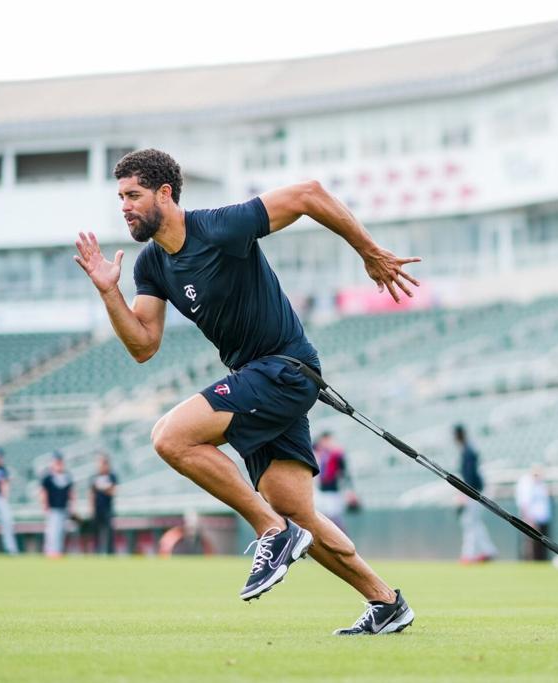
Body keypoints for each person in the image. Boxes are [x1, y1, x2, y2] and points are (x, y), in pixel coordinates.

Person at [74, 148, 418, 635]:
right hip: (258, 380)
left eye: (133, 195)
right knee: (296, 509)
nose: (124, 206)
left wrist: (368, 251)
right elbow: (143, 345)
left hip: (286, 369)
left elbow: (309, 194)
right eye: (120, 198)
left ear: (165, 194)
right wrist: (110, 291)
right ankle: (385, 602)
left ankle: (270, 532)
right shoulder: (151, 265)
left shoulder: (219, 227)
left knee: (170, 437)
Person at [453, 425, 498, 563]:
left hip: (473, 492)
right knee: (475, 523)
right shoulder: (468, 449)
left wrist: (464, 494)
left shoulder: (468, 452)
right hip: (475, 490)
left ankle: (469, 554)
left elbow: (469, 476)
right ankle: (488, 550)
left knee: (470, 523)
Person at [313, 432, 356, 531]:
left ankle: (342, 540)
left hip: (333, 491)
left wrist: (350, 491)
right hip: (318, 491)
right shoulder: (317, 452)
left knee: (334, 518)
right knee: (322, 518)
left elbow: (345, 474)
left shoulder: (337, 455)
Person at [40, 452, 74, 557]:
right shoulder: (48, 477)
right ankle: (50, 552)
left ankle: (57, 552)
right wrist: (45, 506)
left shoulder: (66, 476)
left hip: (63, 508)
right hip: (52, 508)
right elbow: (43, 492)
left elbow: (71, 493)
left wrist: (72, 506)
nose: (58, 463)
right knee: (52, 531)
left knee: (60, 532)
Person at [514, 465, 552, 561]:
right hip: (532, 518)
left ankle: (541, 561)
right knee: (531, 543)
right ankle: (530, 561)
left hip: (542, 518)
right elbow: (524, 503)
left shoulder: (542, 485)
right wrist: (527, 518)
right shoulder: (527, 484)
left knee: (542, 544)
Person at [90, 453, 118, 554]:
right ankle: (96, 552)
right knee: (96, 532)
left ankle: (110, 552)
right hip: (98, 508)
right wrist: (92, 508)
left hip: (108, 508)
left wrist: (103, 488)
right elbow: (91, 493)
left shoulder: (112, 476)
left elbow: (114, 491)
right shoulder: (94, 477)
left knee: (109, 531)